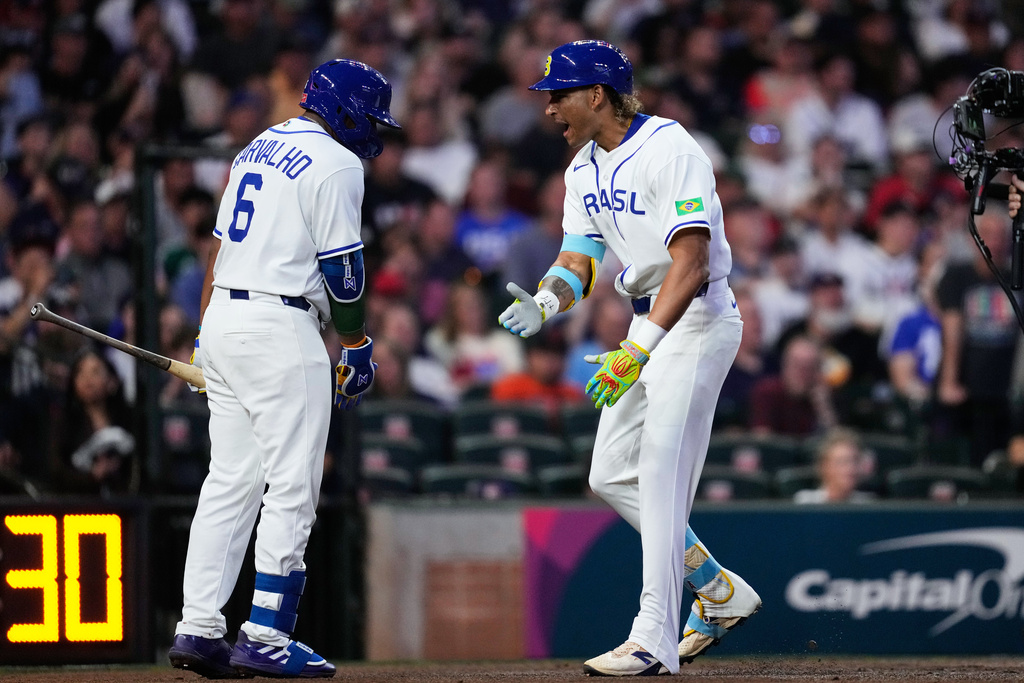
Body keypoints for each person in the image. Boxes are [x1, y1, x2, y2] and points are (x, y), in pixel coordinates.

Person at [497, 41, 760, 676]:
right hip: (646, 325)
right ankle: (718, 591)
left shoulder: (670, 147)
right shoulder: (580, 170)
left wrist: (636, 351)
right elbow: (579, 262)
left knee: (662, 480)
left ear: (597, 95)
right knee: (610, 475)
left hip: (693, 321)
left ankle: (653, 639)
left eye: (559, 94)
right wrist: (546, 299)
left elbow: (692, 263)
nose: (550, 107)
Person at [168, 58, 400, 679]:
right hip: (279, 324)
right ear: (346, 109)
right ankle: (267, 631)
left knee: (229, 482)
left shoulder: (255, 147)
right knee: (293, 484)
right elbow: (344, 273)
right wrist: (354, 343)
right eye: (370, 117)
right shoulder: (336, 161)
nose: (372, 131)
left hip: (223, 319)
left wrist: (205, 335)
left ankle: (198, 627)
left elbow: (216, 253)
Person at [793, 428, 876, 504]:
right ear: (824, 466)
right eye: (843, 462)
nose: (851, 468)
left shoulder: (868, 503)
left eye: (855, 461)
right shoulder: (806, 502)